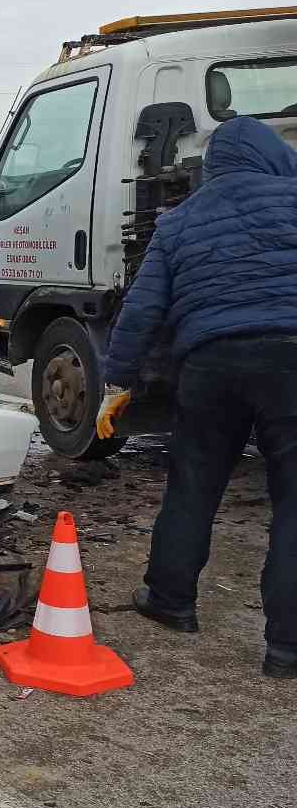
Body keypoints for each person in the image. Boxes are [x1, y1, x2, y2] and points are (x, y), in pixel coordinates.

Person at [95, 117, 297, 679]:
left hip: (210, 364)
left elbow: (141, 309)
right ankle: (287, 647)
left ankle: (171, 599)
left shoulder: (182, 220)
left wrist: (118, 383)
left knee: (194, 482)